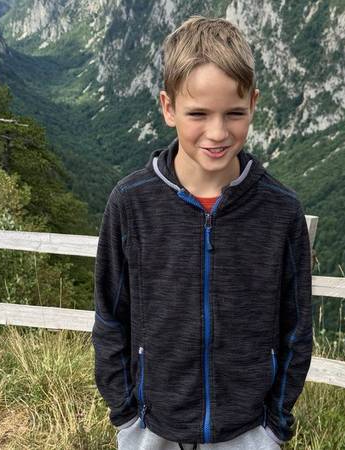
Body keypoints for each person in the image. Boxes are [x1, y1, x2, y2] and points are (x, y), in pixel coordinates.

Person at [92, 15, 312, 449]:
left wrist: (274, 425)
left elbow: (296, 329)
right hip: (150, 428)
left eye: (234, 113)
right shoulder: (131, 203)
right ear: (168, 107)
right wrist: (127, 416)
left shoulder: (281, 211)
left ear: (253, 103)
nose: (217, 132)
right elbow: (110, 317)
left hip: (248, 431)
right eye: (198, 114)